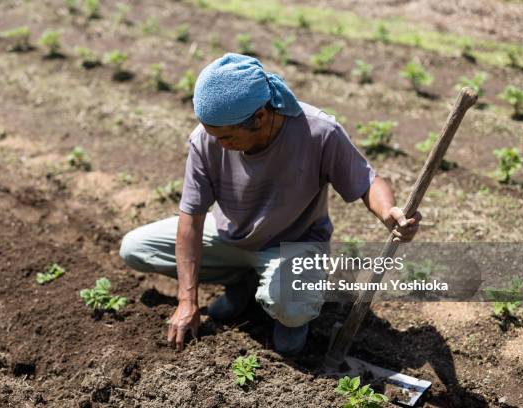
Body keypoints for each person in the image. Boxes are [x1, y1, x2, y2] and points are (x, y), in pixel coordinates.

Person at [120, 53, 421, 355]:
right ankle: (241, 283)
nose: (219, 143)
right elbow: (191, 218)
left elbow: (367, 181)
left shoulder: (317, 131)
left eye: (227, 136)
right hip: (230, 235)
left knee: (290, 311)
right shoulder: (206, 139)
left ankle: (290, 319)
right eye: (213, 134)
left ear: (260, 117)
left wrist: (387, 212)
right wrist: (187, 301)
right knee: (135, 248)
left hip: (294, 245)